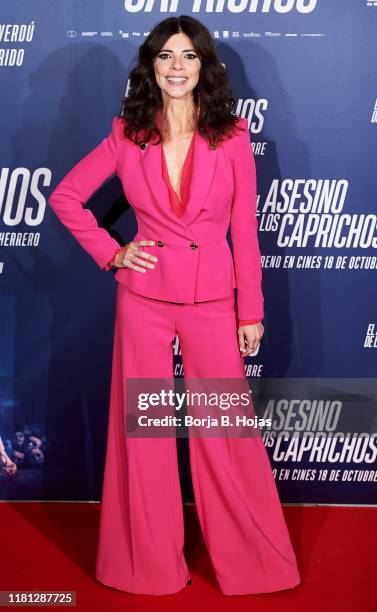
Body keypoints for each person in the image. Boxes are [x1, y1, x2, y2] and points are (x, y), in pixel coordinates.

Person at [48, 14, 301, 597]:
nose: (177, 67)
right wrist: (113, 254)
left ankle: (256, 565)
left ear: (204, 66)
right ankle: (145, 565)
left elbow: (245, 227)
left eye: (187, 56)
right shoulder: (127, 132)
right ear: (151, 67)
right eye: (165, 57)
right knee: (147, 434)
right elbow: (65, 196)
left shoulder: (232, 137)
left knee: (225, 431)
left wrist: (250, 311)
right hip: (145, 301)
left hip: (213, 300)